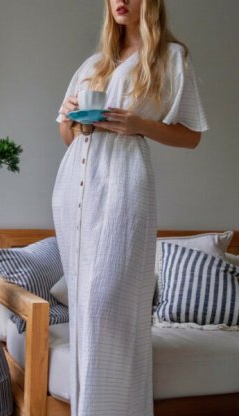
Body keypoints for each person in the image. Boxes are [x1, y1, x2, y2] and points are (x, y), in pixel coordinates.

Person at [51, 0, 209, 415]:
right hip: (76, 188)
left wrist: (138, 125)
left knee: (107, 304)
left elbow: (192, 135)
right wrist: (70, 118)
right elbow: (69, 138)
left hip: (124, 182)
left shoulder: (171, 57)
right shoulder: (93, 64)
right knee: (84, 308)